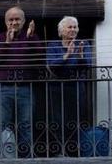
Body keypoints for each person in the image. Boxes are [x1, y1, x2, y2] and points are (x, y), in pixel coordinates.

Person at [0, 6, 40, 157]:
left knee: (26, 126)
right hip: (3, 88)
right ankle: (5, 157)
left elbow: (39, 58)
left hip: (26, 88)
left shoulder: (31, 37)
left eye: (17, 19)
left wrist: (30, 38)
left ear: (23, 21)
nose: (14, 22)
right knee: (3, 126)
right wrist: (7, 43)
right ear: (6, 22)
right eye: (11, 20)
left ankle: (26, 158)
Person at [47, 16, 92, 157]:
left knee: (76, 118)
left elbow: (88, 65)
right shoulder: (53, 45)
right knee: (58, 119)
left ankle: (75, 151)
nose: (73, 30)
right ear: (61, 31)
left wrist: (79, 56)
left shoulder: (83, 44)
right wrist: (67, 55)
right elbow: (51, 65)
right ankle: (60, 150)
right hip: (57, 87)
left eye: (75, 27)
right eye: (70, 27)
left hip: (76, 85)